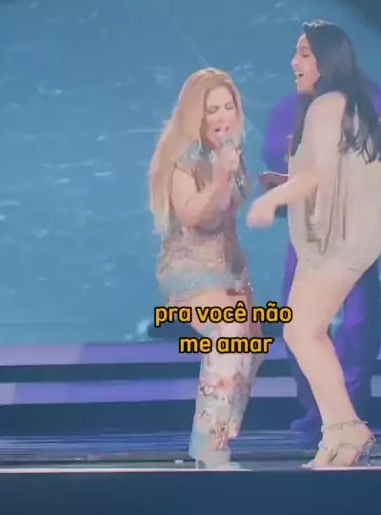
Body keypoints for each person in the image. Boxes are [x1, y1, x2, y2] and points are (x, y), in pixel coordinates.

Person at [262, 81, 381, 441]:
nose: (296, 63)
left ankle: (345, 404)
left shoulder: (369, 106)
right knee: (304, 319)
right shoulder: (293, 112)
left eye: (305, 56)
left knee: (355, 318)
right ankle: (321, 406)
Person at [247, 21, 381, 468]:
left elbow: (319, 175)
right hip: (342, 235)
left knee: (301, 331)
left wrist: (271, 201)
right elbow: (334, 170)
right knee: (302, 331)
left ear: (327, 60)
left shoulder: (328, 104)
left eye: (305, 53)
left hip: (340, 238)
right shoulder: (344, 103)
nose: (295, 62)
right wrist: (285, 183)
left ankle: (346, 429)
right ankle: (341, 430)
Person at [148, 68, 261, 471]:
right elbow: (193, 214)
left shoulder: (230, 150)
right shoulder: (184, 157)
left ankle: (221, 435)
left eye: (228, 106)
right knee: (230, 330)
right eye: (212, 109)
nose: (222, 116)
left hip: (228, 268)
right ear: (196, 115)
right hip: (190, 269)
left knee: (252, 343)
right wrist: (219, 179)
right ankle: (209, 449)